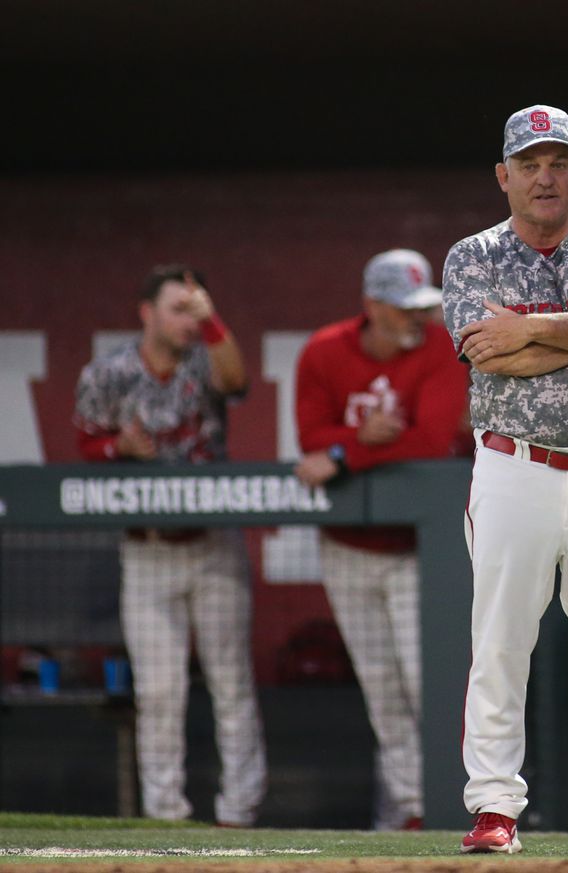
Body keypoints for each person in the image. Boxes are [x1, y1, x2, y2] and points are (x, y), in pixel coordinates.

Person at [442, 104, 568, 854]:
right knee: (499, 641)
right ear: (504, 176)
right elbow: (485, 354)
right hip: (513, 463)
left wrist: (528, 326)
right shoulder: (471, 256)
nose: (544, 176)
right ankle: (494, 805)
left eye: (558, 161)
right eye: (529, 163)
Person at [73, 264, 266, 826]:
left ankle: (241, 812)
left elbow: (236, 383)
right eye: (179, 309)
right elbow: (84, 443)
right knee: (158, 692)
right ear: (147, 312)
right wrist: (118, 449)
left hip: (213, 545)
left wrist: (213, 323)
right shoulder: (108, 372)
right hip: (147, 548)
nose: (189, 320)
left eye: (196, 308)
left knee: (231, 683)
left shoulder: (207, 357)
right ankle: (164, 816)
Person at [292, 248, 469, 830]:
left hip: (418, 552)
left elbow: (431, 441)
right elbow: (308, 439)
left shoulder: (441, 347)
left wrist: (347, 451)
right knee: (381, 692)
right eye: (403, 310)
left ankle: (447, 805)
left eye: (423, 308)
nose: (417, 319)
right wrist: (350, 440)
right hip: (348, 547)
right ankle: (407, 812)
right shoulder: (324, 350)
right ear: (371, 306)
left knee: (428, 688)